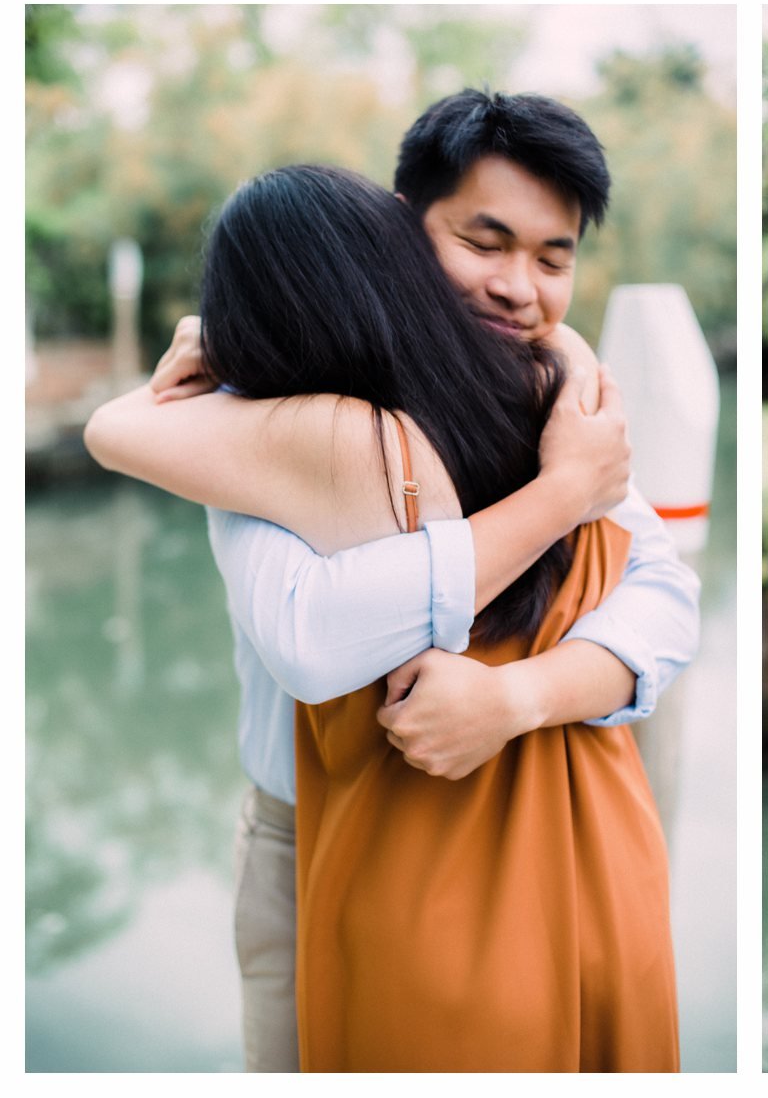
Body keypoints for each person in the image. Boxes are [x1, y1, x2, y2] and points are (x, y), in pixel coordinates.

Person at [86, 91, 698, 1071]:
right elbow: (312, 642)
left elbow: (665, 602)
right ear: (400, 226)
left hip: (551, 817)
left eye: (553, 257)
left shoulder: (555, 399)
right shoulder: (273, 409)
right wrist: (560, 493)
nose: (519, 288)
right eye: (484, 241)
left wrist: (516, 696)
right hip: (328, 842)